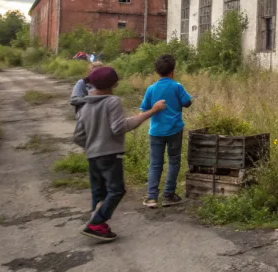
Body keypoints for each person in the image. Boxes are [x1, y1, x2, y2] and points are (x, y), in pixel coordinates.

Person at [73, 66, 165, 241]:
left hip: (92, 156)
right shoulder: (112, 101)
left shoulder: (84, 104)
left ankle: (96, 221)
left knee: (99, 192)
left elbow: (78, 136)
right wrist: (151, 112)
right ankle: (96, 224)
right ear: (113, 84)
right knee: (117, 190)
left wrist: (90, 146)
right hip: (110, 155)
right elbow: (119, 127)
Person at [141, 54, 193, 208]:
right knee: (174, 161)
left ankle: (151, 197)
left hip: (156, 131)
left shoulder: (151, 88)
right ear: (173, 71)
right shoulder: (177, 86)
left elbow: (144, 108)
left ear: (157, 71)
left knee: (155, 164)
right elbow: (187, 102)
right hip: (174, 130)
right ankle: (169, 194)